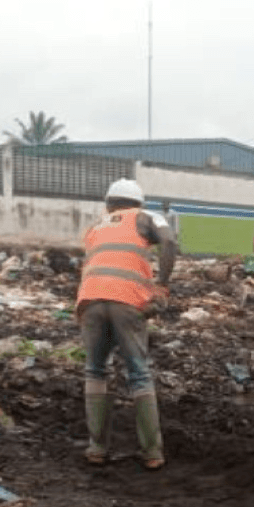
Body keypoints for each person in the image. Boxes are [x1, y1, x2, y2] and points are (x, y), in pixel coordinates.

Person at [77, 179, 176, 469]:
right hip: (127, 299)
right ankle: (152, 453)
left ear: (108, 204)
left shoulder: (96, 226)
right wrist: (162, 286)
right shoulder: (145, 217)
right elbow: (169, 240)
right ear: (138, 203)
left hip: (90, 299)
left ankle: (97, 448)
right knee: (139, 372)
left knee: (95, 370)